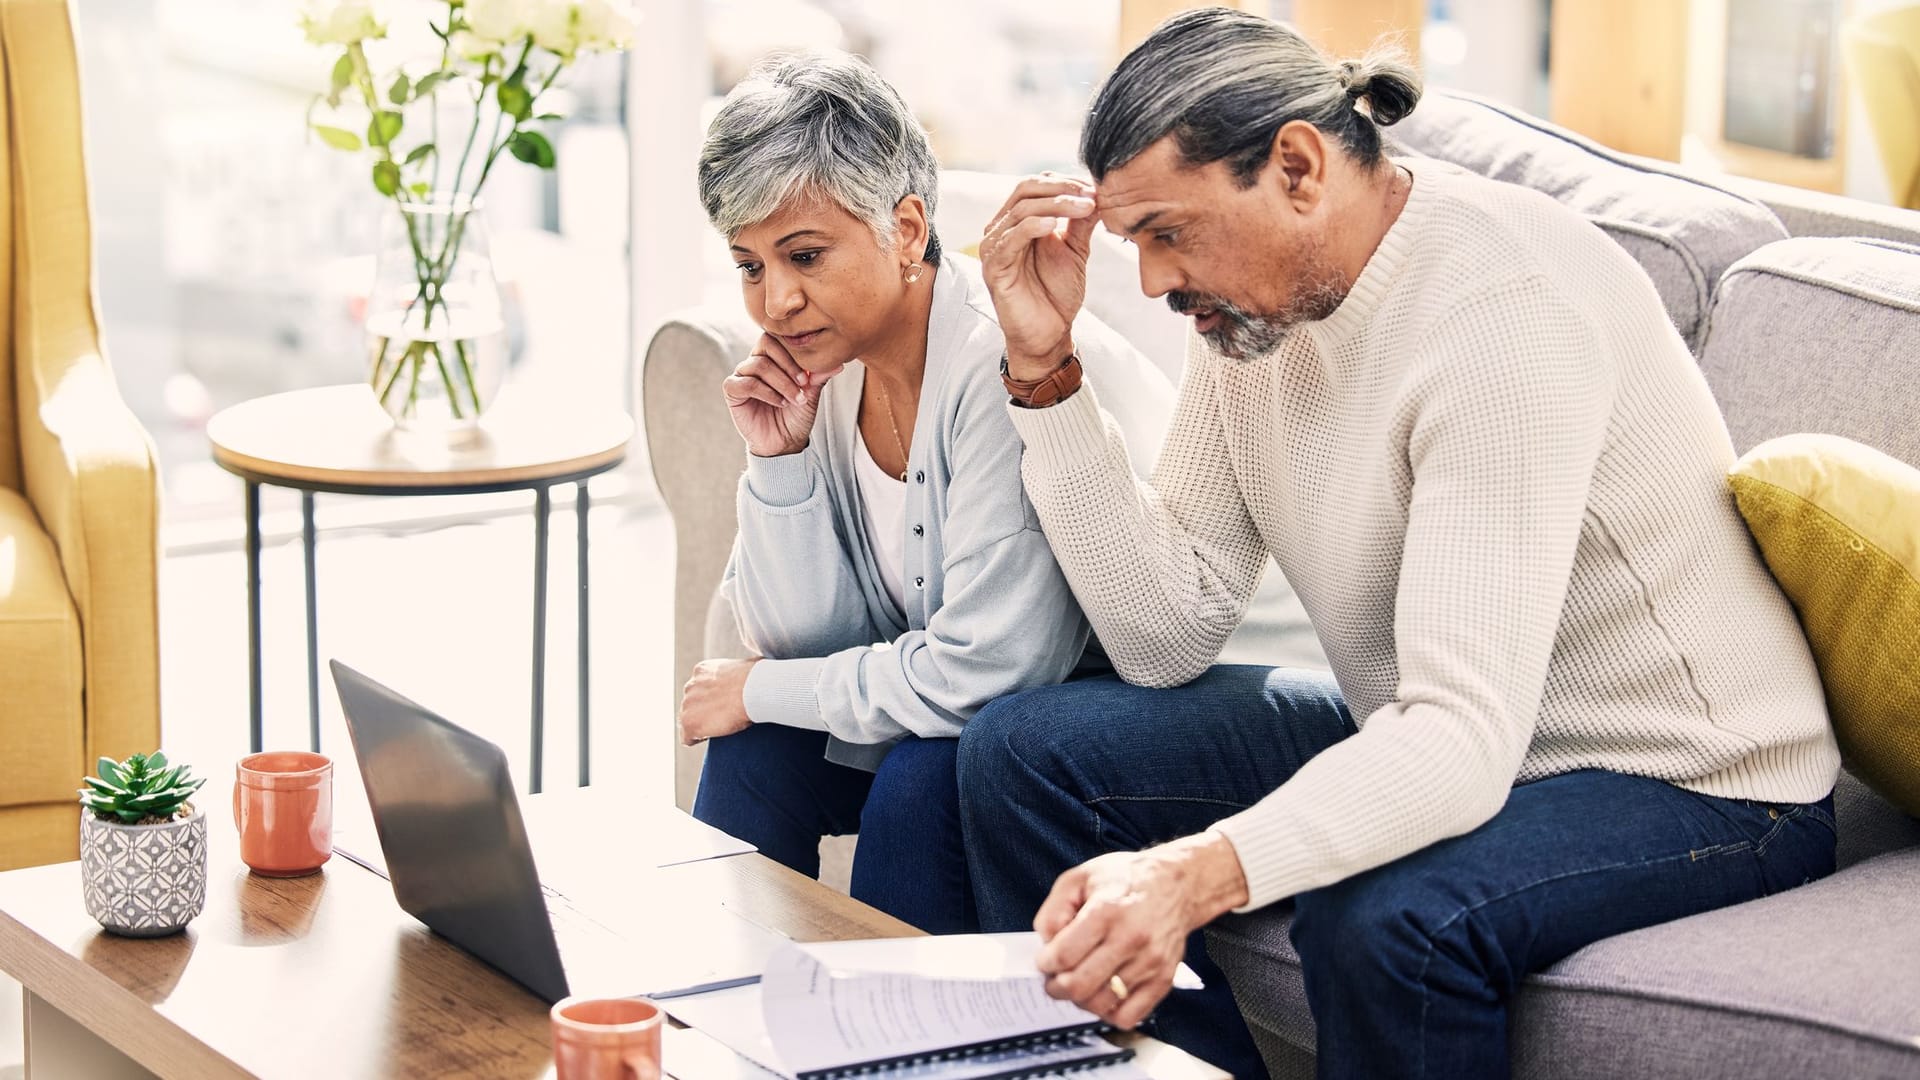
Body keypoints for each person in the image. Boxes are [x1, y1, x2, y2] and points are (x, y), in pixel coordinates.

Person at [962, 9, 1841, 1078]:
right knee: (1024, 753)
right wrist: (1043, 369)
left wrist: (1188, 875)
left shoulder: (1502, 311)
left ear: (1296, 165)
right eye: (1136, 240)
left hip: (1690, 777)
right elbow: (1166, 633)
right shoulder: (1257, 318)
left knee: (1388, 925)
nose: (1150, 282)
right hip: (1448, 724)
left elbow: (1461, 740)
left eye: (1168, 232)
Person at [676, 51, 1168, 935]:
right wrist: (780, 465)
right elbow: (798, 646)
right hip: (995, 704)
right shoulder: (825, 365)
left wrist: (757, 689)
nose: (776, 301)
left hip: (1147, 700)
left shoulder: (996, 362)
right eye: (749, 266)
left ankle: (897, 1053)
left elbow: (989, 672)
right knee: (756, 749)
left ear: (906, 230)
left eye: (805, 254)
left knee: (920, 774)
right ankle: (723, 1017)